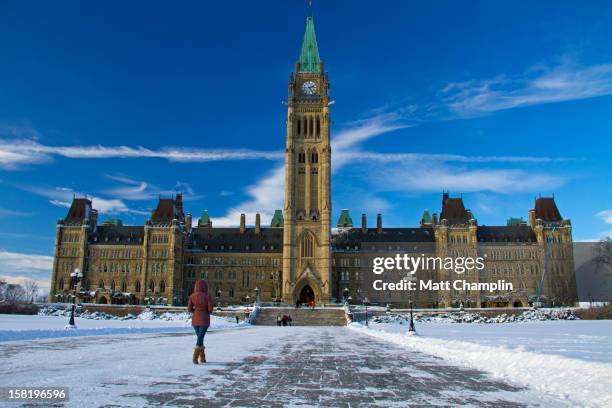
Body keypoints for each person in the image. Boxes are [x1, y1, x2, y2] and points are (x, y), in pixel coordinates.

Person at [187, 279, 213, 364]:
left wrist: (196, 311)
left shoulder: (192, 296)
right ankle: (195, 358)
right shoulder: (207, 296)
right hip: (204, 320)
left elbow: (189, 309)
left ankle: (202, 358)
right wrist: (205, 311)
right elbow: (210, 309)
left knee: (200, 338)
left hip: (195, 320)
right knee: (200, 338)